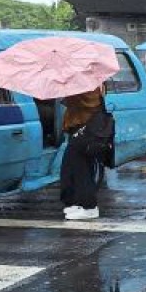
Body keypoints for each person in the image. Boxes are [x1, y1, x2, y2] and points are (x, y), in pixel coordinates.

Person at [61, 87, 106, 220]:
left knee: (82, 169)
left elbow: (83, 104)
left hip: (84, 132)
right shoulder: (89, 82)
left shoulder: (85, 85)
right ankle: (78, 202)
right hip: (83, 131)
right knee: (72, 168)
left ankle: (89, 207)